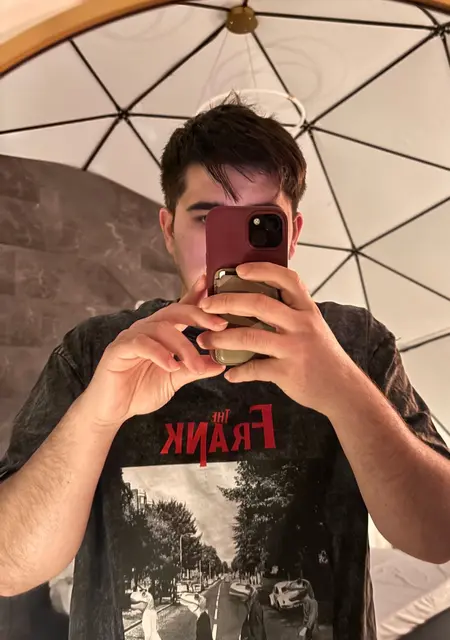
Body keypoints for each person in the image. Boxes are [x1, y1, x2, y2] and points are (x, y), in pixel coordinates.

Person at [0, 96, 450, 640]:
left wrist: (343, 391)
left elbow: (439, 535)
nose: (231, 250)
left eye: (259, 223)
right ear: (168, 228)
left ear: (293, 233)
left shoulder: (354, 344)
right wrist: (99, 415)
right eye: (207, 218)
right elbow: (10, 566)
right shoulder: (97, 352)